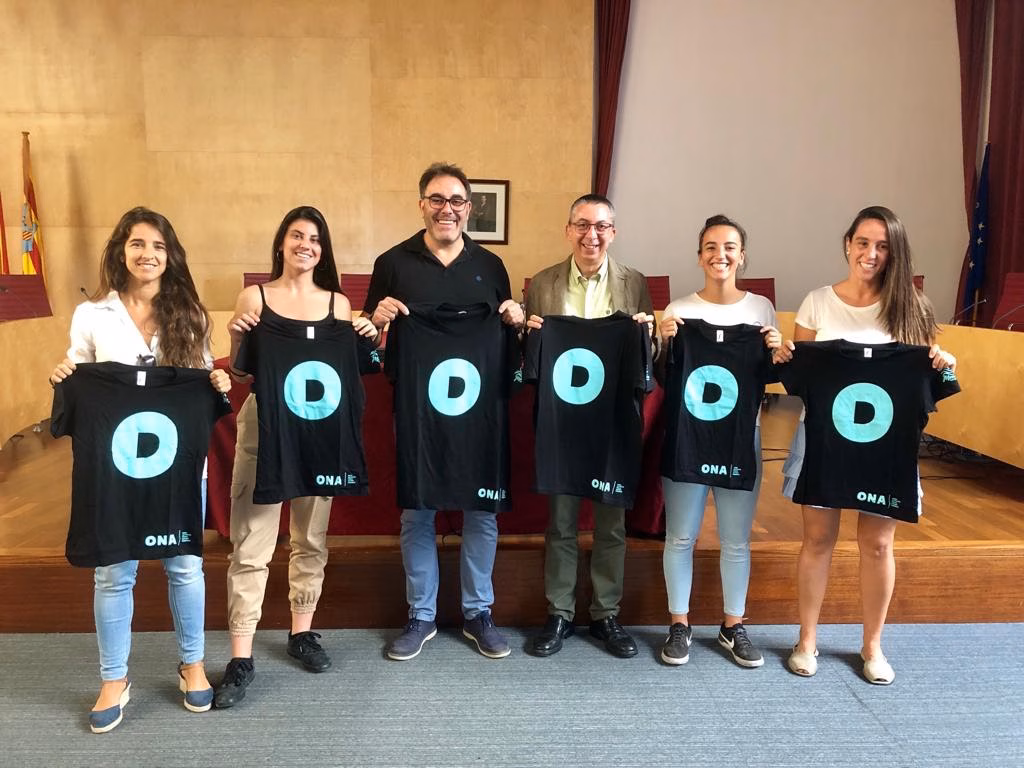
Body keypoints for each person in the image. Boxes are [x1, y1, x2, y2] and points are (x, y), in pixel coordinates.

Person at [49, 206, 230, 732]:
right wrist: (64, 374)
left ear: (169, 255)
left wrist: (214, 385)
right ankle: (113, 678)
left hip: (178, 469)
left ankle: (193, 665)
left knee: (185, 567)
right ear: (121, 251)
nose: (148, 254)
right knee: (114, 571)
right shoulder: (92, 316)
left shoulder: (191, 315)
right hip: (114, 469)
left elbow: (198, 382)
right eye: (137, 244)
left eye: (158, 246)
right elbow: (78, 378)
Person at [779, 205, 956, 685]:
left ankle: (873, 645)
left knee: (877, 544)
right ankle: (807, 640)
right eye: (863, 243)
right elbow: (802, 379)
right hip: (823, 440)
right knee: (817, 539)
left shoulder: (913, 307)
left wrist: (942, 362)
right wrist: (785, 357)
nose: (871, 254)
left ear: (894, 251)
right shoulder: (817, 302)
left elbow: (934, 376)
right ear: (848, 243)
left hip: (885, 447)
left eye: (882, 246)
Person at [214, 206, 378, 707]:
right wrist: (238, 335)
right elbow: (242, 374)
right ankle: (241, 656)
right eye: (296, 236)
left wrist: (367, 337)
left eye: (314, 238)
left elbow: (354, 368)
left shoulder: (338, 306)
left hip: (320, 432)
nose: (305, 244)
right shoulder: (256, 297)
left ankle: (301, 632)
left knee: (311, 537)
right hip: (264, 430)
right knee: (252, 541)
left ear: (323, 250)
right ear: (281, 244)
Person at [364, 162, 524, 661]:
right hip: (418, 412)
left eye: (456, 200)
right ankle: (422, 615)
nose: (446, 209)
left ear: (469, 208)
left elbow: (509, 345)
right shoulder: (393, 262)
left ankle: (479, 612)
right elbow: (370, 344)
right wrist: (378, 320)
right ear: (421, 205)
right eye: (437, 199)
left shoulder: (490, 266)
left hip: (480, 414)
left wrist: (515, 320)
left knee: (482, 510)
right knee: (419, 509)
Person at [524, 194, 653, 659]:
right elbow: (529, 357)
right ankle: (559, 613)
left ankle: (606, 614)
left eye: (600, 226)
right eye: (582, 225)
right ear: (568, 230)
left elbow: (646, 359)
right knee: (560, 522)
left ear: (613, 232)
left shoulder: (634, 283)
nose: (591, 234)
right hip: (562, 419)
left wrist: (647, 333)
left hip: (613, 420)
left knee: (611, 521)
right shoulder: (542, 283)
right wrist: (528, 331)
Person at [657, 215, 784, 667]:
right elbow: (659, 375)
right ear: (699, 256)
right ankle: (679, 624)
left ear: (742, 255)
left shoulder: (762, 310)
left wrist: (776, 348)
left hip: (738, 438)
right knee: (681, 537)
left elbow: (772, 375)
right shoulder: (678, 311)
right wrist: (664, 342)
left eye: (729, 246)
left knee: (736, 540)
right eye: (711, 247)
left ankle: (733, 625)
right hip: (688, 437)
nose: (720, 255)